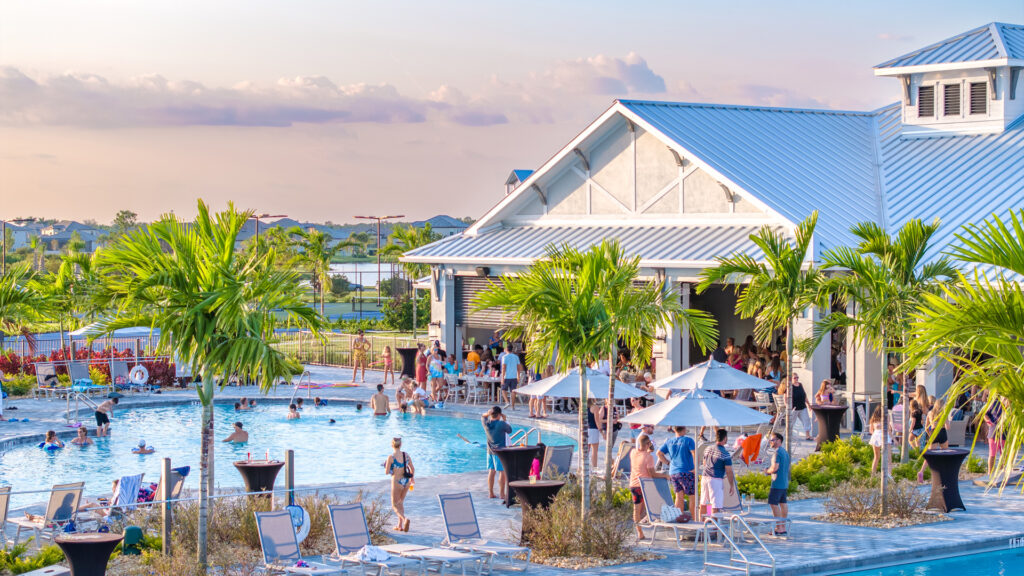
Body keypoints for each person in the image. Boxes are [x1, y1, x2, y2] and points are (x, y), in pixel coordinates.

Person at [629, 434, 667, 539]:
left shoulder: (633, 453)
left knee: (636, 509)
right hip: (645, 486)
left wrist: (648, 449)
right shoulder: (649, 457)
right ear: (648, 444)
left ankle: (640, 532)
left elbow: (640, 454)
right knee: (652, 507)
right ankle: (648, 521)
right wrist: (665, 476)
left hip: (633, 484)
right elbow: (652, 474)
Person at [657, 426, 697, 520]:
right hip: (686, 471)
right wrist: (695, 468)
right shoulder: (688, 440)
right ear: (684, 429)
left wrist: (668, 463)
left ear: (674, 430)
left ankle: (678, 519)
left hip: (674, 472)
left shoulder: (669, 441)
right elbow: (694, 453)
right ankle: (696, 520)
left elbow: (659, 453)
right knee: (692, 497)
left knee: (679, 497)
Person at [700, 429, 735, 518]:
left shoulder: (708, 448)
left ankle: (704, 524)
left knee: (705, 502)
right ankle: (714, 528)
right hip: (715, 479)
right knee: (715, 505)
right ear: (725, 438)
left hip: (705, 477)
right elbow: (729, 471)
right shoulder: (725, 453)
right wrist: (731, 484)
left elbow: (704, 463)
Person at [482, 407, 512, 499]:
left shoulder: (486, 423)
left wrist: (488, 414)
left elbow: (483, 416)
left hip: (489, 451)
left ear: (491, 414)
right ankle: (502, 493)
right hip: (500, 452)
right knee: (502, 472)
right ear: (499, 414)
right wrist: (505, 419)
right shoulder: (501, 424)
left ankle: (491, 493)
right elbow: (510, 430)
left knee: (491, 471)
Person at [385, 437, 413, 532]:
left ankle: (405, 519)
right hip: (406, 482)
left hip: (397, 482)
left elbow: (387, 472)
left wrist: (387, 465)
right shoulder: (406, 455)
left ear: (391, 445)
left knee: (394, 505)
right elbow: (412, 469)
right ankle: (400, 525)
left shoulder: (391, 457)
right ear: (400, 445)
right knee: (400, 502)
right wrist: (412, 479)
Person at [764, 432, 790, 534]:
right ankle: (782, 527)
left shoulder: (777, 453)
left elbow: (775, 468)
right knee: (783, 504)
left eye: (773, 439)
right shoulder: (785, 452)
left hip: (777, 483)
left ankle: (779, 527)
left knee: (773, 504)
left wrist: (767, 471)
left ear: (779, 441)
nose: (771, 441)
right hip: (784, 483)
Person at [918, 398, 949, 482]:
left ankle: (921, 471)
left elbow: (926, 427)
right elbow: (948, 427)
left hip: (933, 433)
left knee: (929, 456)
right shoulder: (944, 413)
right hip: (942, 432)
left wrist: (930, 435)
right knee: (945, 454)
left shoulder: (930, 413)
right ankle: (943, 474)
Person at [985, 396, 1006, 476]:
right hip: (993, 432)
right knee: (992, 454)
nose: (1005, 399)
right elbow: (986, 414)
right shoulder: (994, 404)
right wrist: (988, 421)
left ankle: (1001, 473)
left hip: (1005, 433)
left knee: (1003, 455)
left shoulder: (1011, 405)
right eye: (1004, 397)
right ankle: (990, 473)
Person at [789, 374, 812, 440]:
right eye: (795, 378)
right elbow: (785, 397)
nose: (796, 379)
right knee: (791, 422)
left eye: (797, 377)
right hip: (794, 407)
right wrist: (788, 406)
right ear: (791, 379)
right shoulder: (790, 386)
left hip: (802, 406)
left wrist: (808, 404)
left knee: (806, 420)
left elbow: (804, 395)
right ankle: (790, 436)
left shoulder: (800, 385)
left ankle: (807, 435)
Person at [499, 345, 523, 410]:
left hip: (507, 376)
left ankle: (507, 402)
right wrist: (518, 376)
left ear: (506, 349)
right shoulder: (516, 357)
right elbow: (518, 367)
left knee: (503, 390)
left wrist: (502, 377)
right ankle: (512, 406)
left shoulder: (505, 357)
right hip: (514, 376)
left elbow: (504, 367)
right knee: (513, 391)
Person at [868, 406, 887, 475]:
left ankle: (873, 473)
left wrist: (875, 434)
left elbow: (870, 431)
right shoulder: (884, 419)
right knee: (885, 456)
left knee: (876, 457)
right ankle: (884, 473)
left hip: (875, 437)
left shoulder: (873, 419)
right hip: (882, 437)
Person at [586, 399, 602, 468]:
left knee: (586, 450)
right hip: (593, 430)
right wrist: (602, 431)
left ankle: (584, 466)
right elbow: (597, 421)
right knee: (594, 451)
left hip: (586, 429)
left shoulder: (583, 407)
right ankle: (594, 467)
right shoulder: (595, 407)